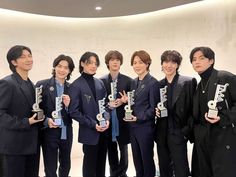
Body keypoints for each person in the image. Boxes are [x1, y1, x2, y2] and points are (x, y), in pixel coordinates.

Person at [190, 46, 236, 177]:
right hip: (203, 138)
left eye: (201, 58)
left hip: (224, 135)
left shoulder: (225, 77)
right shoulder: (199, 85)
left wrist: (223, 117)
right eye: (193, 59)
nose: (197, 62)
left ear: (211, 61)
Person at [0, 45, 44, 177]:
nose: (28, 59)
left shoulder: (31, 84)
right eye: (23, 57)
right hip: (14, 147)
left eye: (30, 56)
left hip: (32, 145)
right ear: (14, 62)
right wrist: (26, 122)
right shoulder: (7, 83)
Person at [155, 50, 197, 177]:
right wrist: (156, 110)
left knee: (181, 169)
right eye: (166, 62)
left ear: (177, 65)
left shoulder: (188, 82)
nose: (169, 65)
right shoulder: (159, 84)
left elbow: (193, 109)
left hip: (179, 132)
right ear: (162, 64)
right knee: (164, 168)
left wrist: (186, 131)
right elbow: (156, 105)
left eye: (173, 62)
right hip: (161, 133)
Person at [69, 51, 110, 177]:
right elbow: (74, 112)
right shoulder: (76, 85)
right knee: (89, 166)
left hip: (104, 130)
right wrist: (93, 124)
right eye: (90, 63)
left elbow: (106, 104)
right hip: (89, 132)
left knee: (101, 164)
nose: (93, 66)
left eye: (95, 63)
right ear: (82, 63)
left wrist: (107, 118)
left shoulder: (99, 83)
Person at [120, 50, 159, 177]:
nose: (137, 65)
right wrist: (127, 102)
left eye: (140, 62)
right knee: (137, 160)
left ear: (147, 64)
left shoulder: (153, 83)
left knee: (146, 159)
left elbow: (153, 109)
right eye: (134, 62)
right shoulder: (134, 82)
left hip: (145, 128)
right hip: (133, 127)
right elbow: (134, 104)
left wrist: (138, 117)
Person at [36, 54, 75, 177]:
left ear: (69, 71)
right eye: (59, 66)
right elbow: (36, 109)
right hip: (49, 132)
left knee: (66, 165)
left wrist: (69, 105)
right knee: (50, 166)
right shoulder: (42, 85)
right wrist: (46, 120)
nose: (62, 70)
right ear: (54, 67)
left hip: (66, 131)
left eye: (66, 68)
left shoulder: (72, 88)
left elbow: (76, 112)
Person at [100, 50, 132, 177]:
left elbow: (133, 101)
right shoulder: (101, 81)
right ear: (108, 62)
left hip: (123, 121)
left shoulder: (128, 81)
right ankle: (114, 173)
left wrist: (125, 101)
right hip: (108, 122)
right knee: (111, 149)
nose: (115, 62)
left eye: (117, 60)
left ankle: (123, 173)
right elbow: (99, 102)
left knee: (124, 150)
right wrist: (109, 104)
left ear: (120, 63)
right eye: (112, 60)